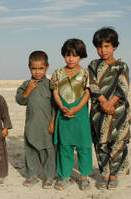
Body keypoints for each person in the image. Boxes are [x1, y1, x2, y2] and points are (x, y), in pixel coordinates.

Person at [88, 27, 131, 190]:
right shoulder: (93, 65)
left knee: (118, 143)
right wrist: (103, 102)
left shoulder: (122, 66)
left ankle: (114, 176)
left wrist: (111, 103)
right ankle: (104, 174)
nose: (103, 50)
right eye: (99, 47)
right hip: (99, 112)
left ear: (114, 46)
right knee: (101, 144)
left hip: (118, 112)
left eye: (107, 46)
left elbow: (123, 87)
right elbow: (92, 85)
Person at [50, 38, 92, 191]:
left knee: (84, 147)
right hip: (63, 115)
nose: (71, 59)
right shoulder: (57, 73)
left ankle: (84, 177)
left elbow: (88, 93)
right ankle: (64, 177)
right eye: (68, 55)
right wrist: (62, 107)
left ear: (81, 56)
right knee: (64, 148)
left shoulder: (85, 73)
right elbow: (55, 91)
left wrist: (76, 108)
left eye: (75, 55)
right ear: (63, 55)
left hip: (80, 116)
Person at [15, 51, 56, 189]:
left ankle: (49, 176)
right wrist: (28, 90)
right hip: (31, 125)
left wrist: (53, 122)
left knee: (48, 151)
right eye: (34, 68)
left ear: (47, 67)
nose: (37, 72)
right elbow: (20, 100)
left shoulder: (51, 85)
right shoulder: (26, 84)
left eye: (41, 68)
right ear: (29, 68)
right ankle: (32, 175)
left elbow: (55, 105)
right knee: (31, 149)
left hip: (47, 125)